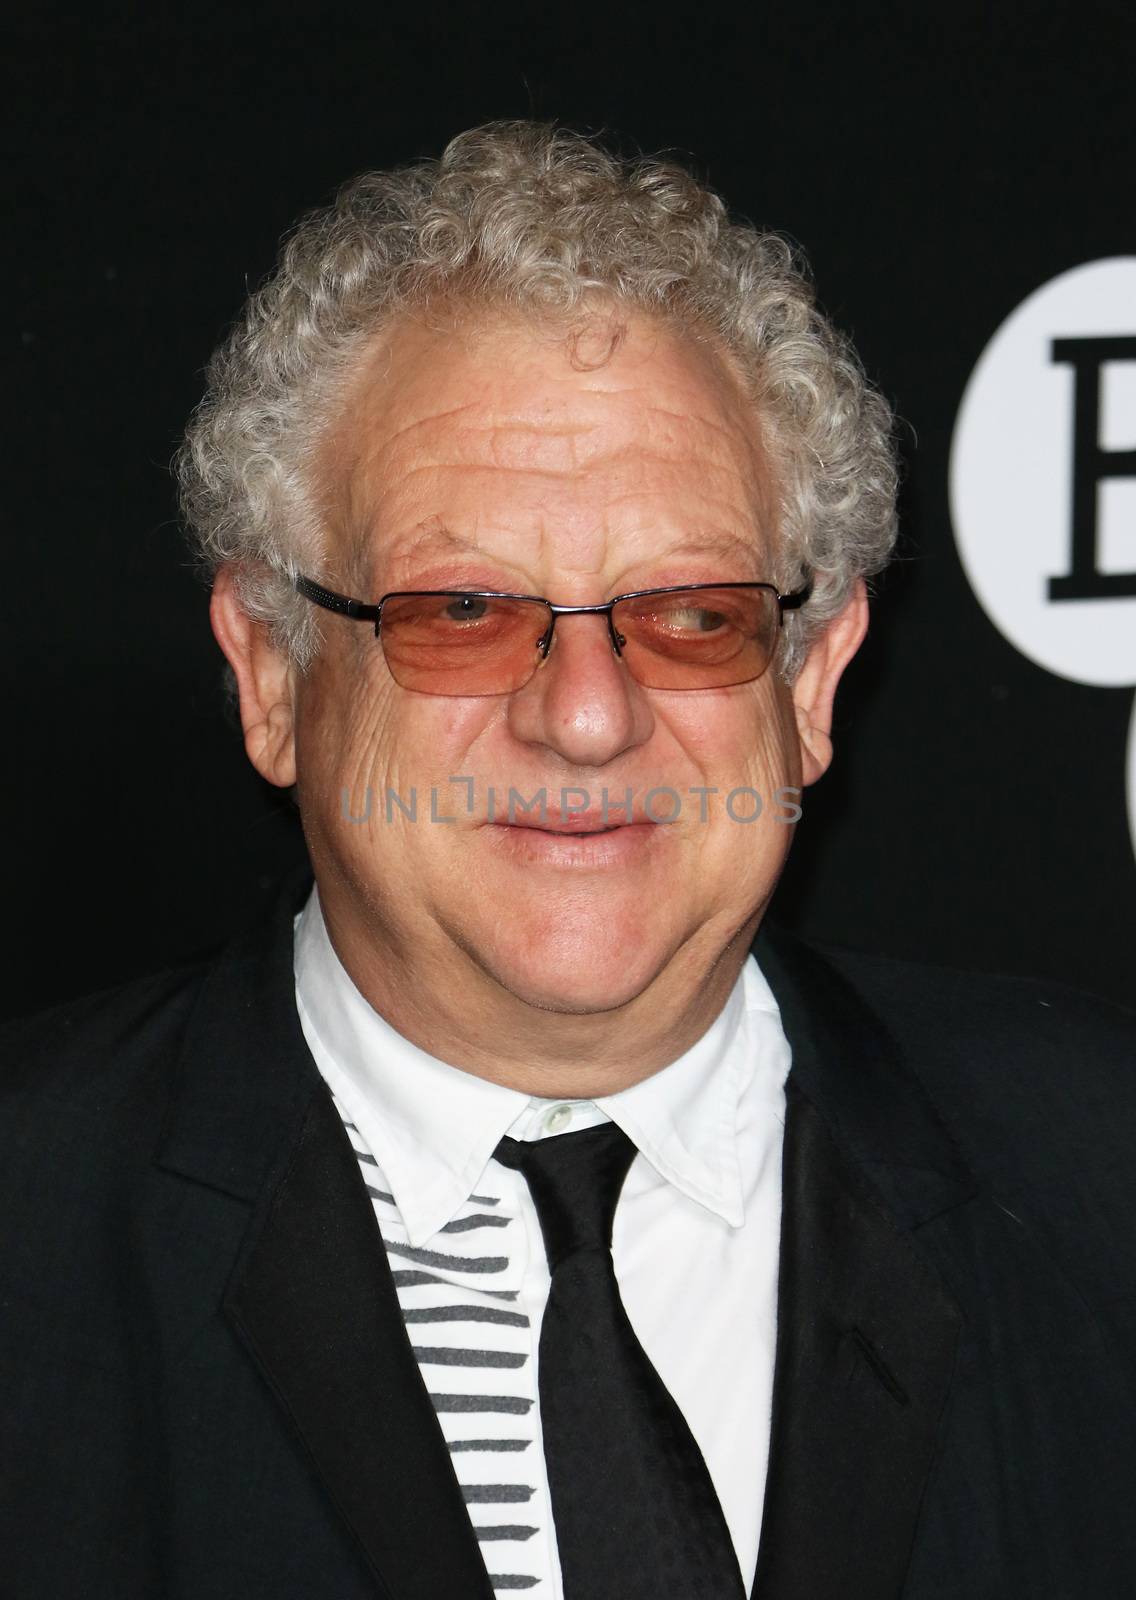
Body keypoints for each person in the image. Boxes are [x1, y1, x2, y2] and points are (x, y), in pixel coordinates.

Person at [2, 121, 1134, 1600]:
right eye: (463, 609)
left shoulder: (1102, 1184)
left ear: (809, 683)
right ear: (270, 673)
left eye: (690, 614)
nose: (590, 718)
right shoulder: (30, 1242)